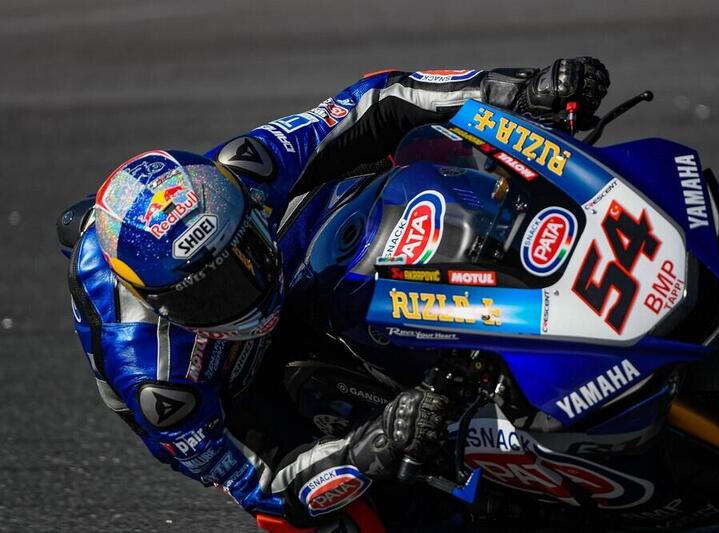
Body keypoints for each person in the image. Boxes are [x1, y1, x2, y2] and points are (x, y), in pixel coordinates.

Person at [61, 58, 610, 526]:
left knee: (392, 167)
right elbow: (262, 484)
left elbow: (375, 102)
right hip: (233, 386)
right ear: (160, 303)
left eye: (242, 256)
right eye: (209, 295)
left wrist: (512, 91)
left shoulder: (242, 171)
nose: (243, 293)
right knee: (346, 514)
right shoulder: (157, 381)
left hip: (287, 261)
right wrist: (372, 445)